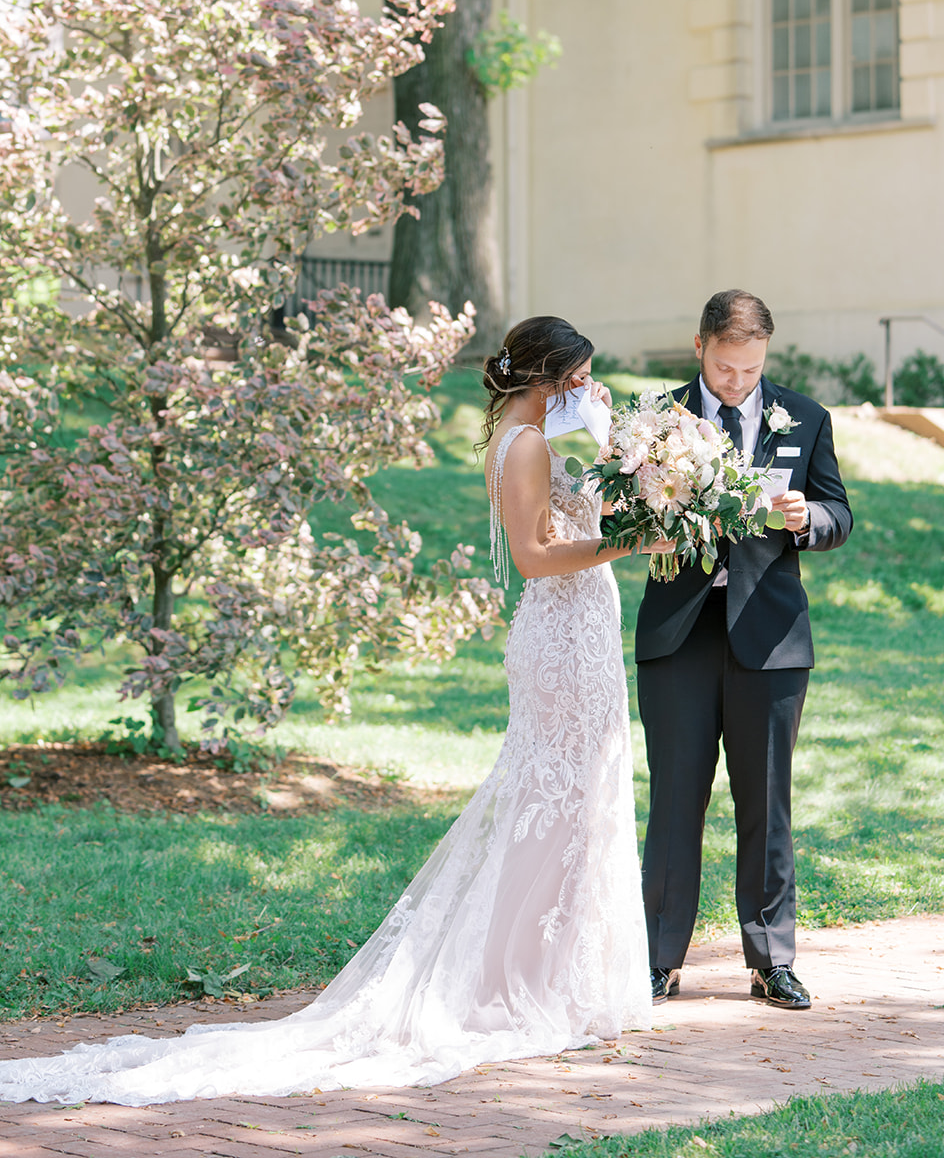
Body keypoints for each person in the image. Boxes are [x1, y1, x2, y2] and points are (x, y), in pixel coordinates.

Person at [0, 316, 657, 1107]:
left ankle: (557, 975)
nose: (586, 390)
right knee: (550, 806)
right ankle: (516, 982)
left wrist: (624, 464)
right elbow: (534, 558)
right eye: (577, 378)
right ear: (547, 377)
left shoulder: (542, 443)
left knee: (575, 807)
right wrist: (635, 538)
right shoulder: (524, 448)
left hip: (579, 638)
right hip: (560, 645)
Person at [637, 290, 852, 1010]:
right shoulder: (652, 420)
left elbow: (838, 512)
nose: (737, 383)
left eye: (751, 370)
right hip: (679, 631)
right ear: (699, 347)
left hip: (771, 633)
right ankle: (657, 959)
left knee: (767, 803)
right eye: (726, 369)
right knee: (674, 799)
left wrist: (806, 517)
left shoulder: (806, 417)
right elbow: (621, 509)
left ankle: (771, 960)